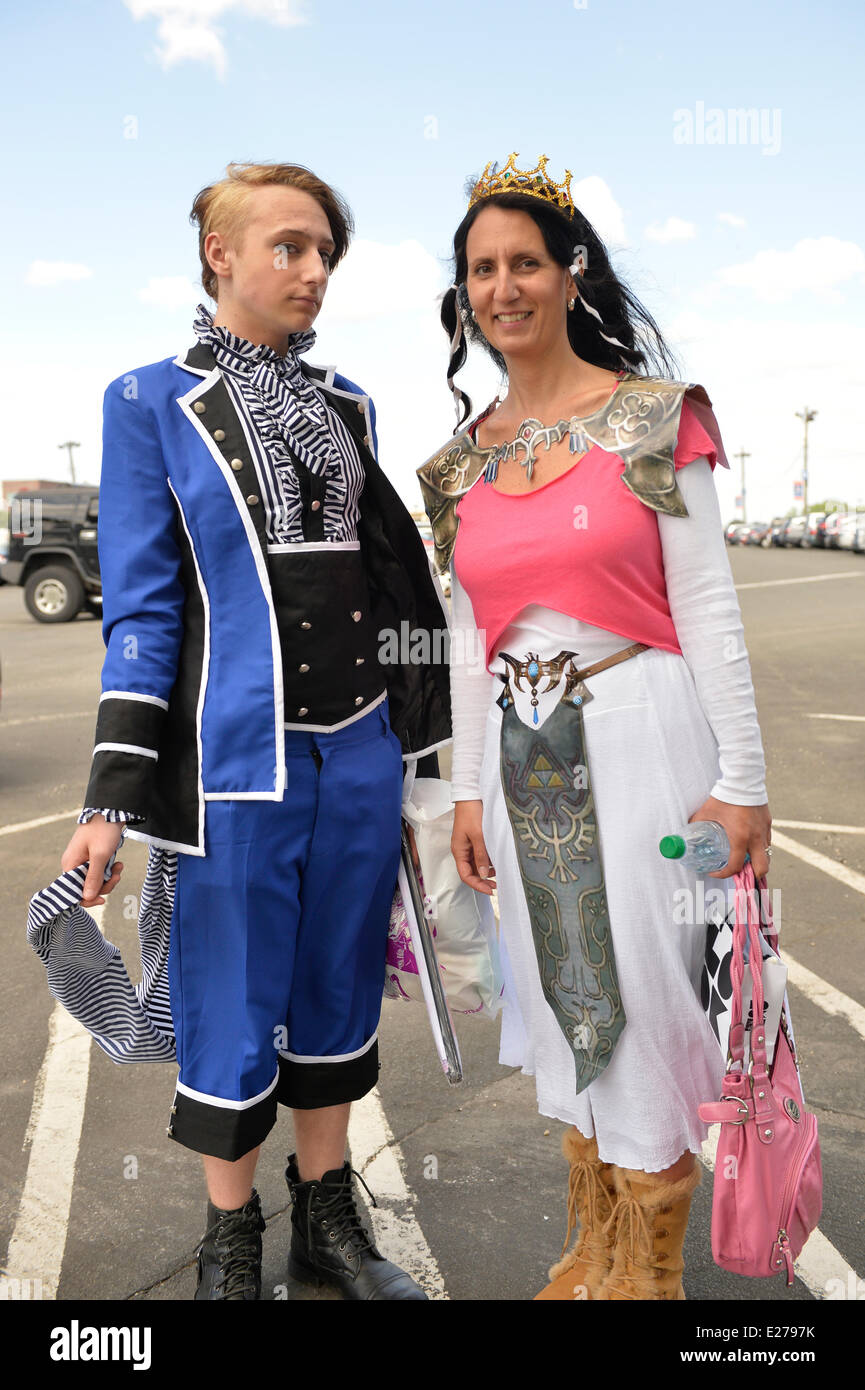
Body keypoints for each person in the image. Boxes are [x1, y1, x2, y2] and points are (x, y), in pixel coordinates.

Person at [59, 160, 450, 1301]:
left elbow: (391, 587)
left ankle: (325, 1219)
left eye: (325, 250)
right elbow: (140, 613)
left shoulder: (349, 406)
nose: (314, 271)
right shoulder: (146, 403)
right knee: (229, 1001)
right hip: (235, 765)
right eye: (289, 247)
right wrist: (108, 800)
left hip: (361, 749)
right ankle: (231, 1237)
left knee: (336, 983)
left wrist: (421, 766)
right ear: (219, 255)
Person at [417, 153, 772, 1301]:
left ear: (571, 275)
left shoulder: (652, 420)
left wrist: (745, 784)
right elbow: (471, 642)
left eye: (525, 261)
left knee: (644, 990)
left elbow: (709, 606)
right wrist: (467, 789)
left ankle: (650, 1275)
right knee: (557, 989)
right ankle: (598, 1244)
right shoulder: (457, 464)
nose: (503, 285)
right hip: (521, 763)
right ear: (463, 292)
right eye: (481, 268)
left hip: (641, 735)